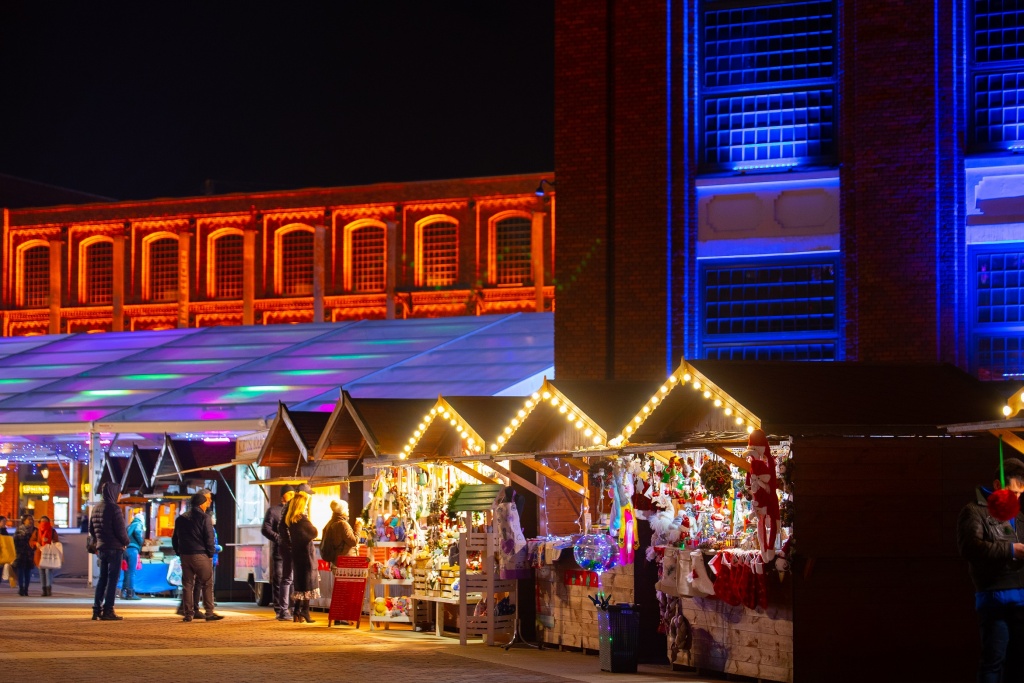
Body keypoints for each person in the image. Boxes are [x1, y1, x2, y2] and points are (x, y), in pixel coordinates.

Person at [957, 456, 1024, 683]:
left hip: (1021, 600)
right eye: (1013, 492)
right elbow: (970, 548)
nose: (1017, 498)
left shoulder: (1019, 517)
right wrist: (1011, 550)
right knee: (994, 661)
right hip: (994, 599)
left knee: (1018, 663)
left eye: (1020, 494)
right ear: (997, 485)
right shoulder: (973, 512)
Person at [172, 491, 223, 622]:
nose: (208, 504)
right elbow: (209, 538)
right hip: (201, 555)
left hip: (185, 556)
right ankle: (209, 613)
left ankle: (188, 614)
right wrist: (211, 554)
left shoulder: (181, 518)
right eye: (206, 502)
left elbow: (175, 538)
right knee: (207, 583)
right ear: (201, 503)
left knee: (187, 585)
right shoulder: (204, 518)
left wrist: (179, 552)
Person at [90, 482, 130, 620]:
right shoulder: (114, 509)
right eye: (119, 493)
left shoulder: (95, 508)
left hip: (102, 548)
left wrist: (100, 539)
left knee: (102, 578)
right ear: (113, 493)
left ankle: (96, 610)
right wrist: (126, 542)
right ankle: (108, 610)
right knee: (113, 580)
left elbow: (91, 530)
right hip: (114, 549)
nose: (119, 496)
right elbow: (121, 530)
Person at [284, 485, 319, 623]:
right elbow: (314, 532)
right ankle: (304, 611)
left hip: (298, 554)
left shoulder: (291, 519)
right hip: (306, 555)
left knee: (300, 584)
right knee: (308, 583)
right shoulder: (302, 519)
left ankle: (297, 612)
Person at [320, 499, 358, 625]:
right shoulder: (342, 524)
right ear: (342, 510)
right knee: (346, 589)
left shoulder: (330, 523)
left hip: (336, 562)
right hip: (345, 561)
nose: (348, 511)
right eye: (346, 509)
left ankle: (339, 616)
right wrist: (358, 528)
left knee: (340, 589)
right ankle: (342, 617)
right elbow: (353, 541)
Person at [261, 484, 295, 621]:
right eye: (290, 494)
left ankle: (291, 607)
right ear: (283, 496)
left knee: (291, 580)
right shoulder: (273, 511)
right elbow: (265, 529)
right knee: (281, 578)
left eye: (294, 494)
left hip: (292, 551)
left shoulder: (295, 511)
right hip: (280, 552)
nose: (292, 496)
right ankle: (280, 608)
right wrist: (278, 538)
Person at [30, 515, 59, 596]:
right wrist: (36, 543)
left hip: (49, 554)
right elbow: (32, 541)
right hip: (39, 554)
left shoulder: (52, 531)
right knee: (42, 572)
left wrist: (52, 542)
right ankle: (44, 590)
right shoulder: (37, 531)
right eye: (42, 521)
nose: (44, 523)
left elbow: (57, 542)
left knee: (48, 571)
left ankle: (48, 589)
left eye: (45, 521)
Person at [122, 511, 145, 600]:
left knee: (127, 572)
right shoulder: (138, 524)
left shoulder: (129, 526)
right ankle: (130, 593)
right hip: (133, 550)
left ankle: (124, 591)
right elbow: (138, 532)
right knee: (132, 572)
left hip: (126, 550)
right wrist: (141, 542)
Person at [13, 514, 35, 596]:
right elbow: (15, 541)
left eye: (31, 519)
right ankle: (21, 588)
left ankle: (26, 589)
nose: (30, 521)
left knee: (28, 572)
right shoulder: (19, 529)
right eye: (29, 519)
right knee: (20, 572)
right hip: (20, 553)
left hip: (29, 554)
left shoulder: (35, 530)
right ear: (24, 521)